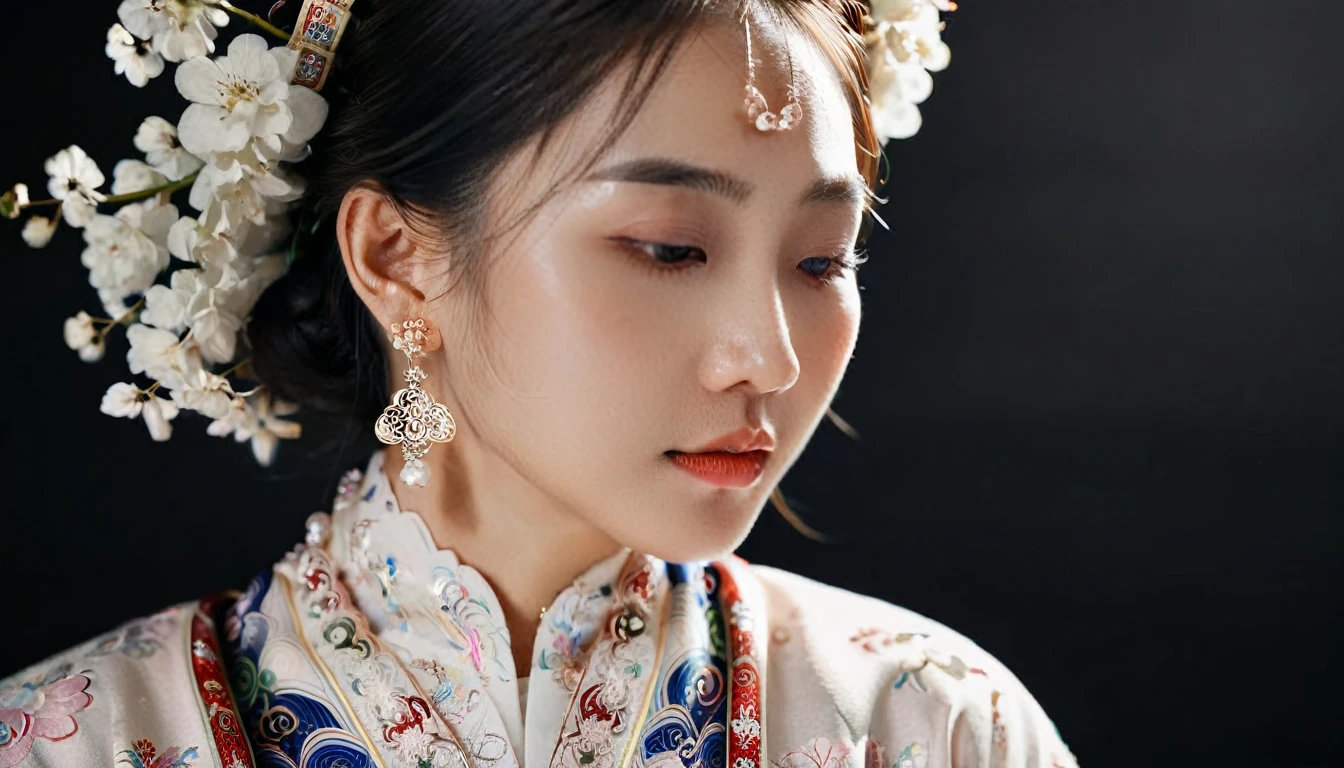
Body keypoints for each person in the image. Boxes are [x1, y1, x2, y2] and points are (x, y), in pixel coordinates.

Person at [0, 1, 1079, 767]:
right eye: (668, 248)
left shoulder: (934, 729)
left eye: (821, 260)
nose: (770, 357)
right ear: (394, 256)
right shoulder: (72, 740)